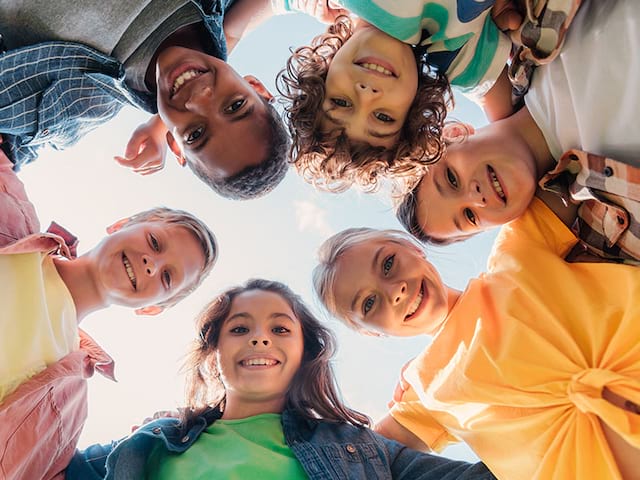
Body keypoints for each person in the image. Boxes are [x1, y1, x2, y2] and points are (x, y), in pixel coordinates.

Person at [66, 279, 497, 480]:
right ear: (215, 355)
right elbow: (33, 463)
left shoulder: (361, 449)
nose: (259, 338)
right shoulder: (150, 442)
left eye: (280, 329)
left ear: (304, 354)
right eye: (239, 329)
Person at [313, 218, 640, 480]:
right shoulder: (425, 389)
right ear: (372, 333)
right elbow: (356, 455)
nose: (394, 291)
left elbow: (551, 161)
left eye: (387, 264)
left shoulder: (518, 252)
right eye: (369, 303)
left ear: (412, 247)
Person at [0, 164, 217, 479]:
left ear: (154, 308)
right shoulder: (12, 210)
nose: (151, 263)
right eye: (155, 242)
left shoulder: (68, 407)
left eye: (167, 277)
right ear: (120, 225)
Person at [396, 0, 640, 263]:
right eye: (469, 216)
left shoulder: (522, 28)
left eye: (452, 179)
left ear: (454, 133)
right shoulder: (611, 227)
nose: (475, 197)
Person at [0, 0, 296, 200]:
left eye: (196, 134)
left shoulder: (75, 104)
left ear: (174, 143)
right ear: (256, 87)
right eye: (235, 106)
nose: (199, 98)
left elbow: (11, 157)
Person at [277, 0, 579, 192]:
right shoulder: (459, 58)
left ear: (322, 75)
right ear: (412, 113)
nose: (367, 94)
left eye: (341, 103)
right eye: (383, 117)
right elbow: (513, 131)